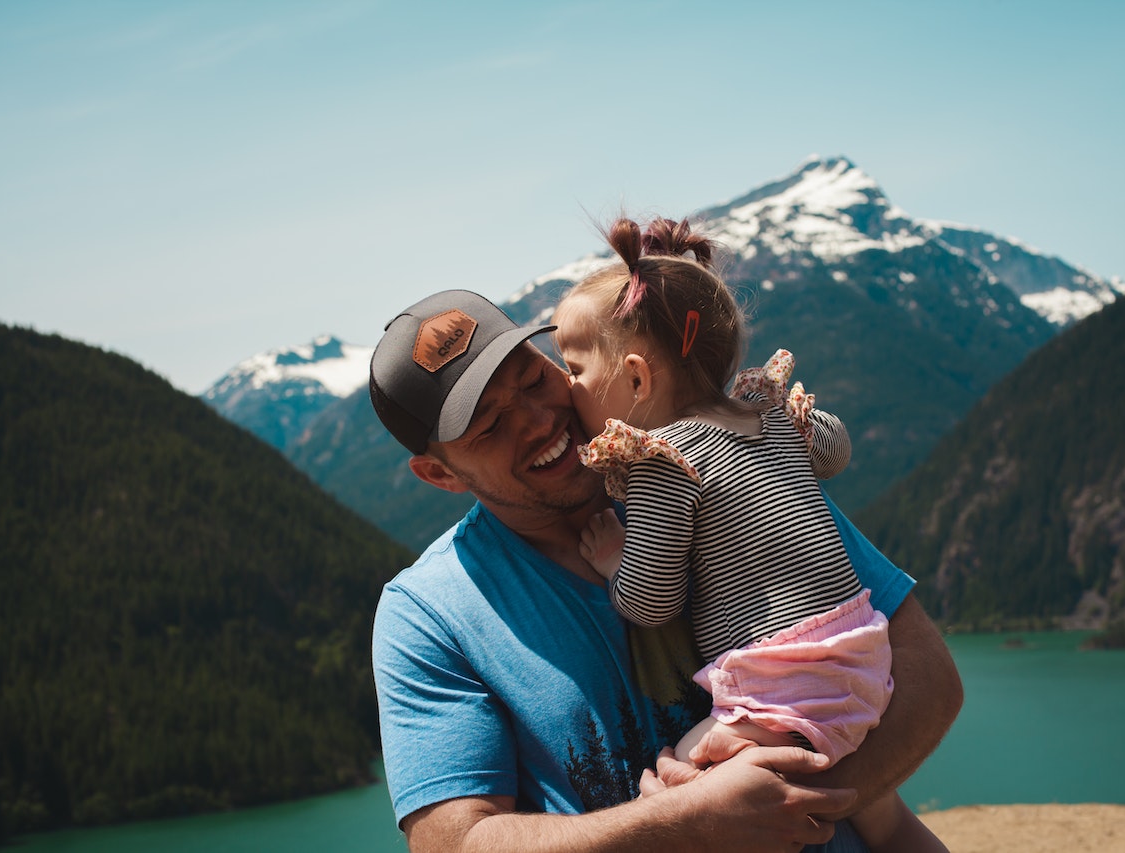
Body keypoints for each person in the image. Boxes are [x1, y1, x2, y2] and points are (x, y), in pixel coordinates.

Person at [368, 287, 963, 852]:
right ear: (439, 474)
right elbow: (455, 841)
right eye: (492, 425)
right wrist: (690, 827)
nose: (538, 419)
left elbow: (930, 679)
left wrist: (794, 802)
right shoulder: (426, 616)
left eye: (533, 378)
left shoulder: (720, 458)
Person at [550, 216, 946, 852]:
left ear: (635, 378)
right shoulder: (765, 413)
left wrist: (614, 562)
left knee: (683, 789)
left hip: (781, 682)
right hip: (862, 653)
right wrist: (805, 429)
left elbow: (652, 603)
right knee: (885, 817)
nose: (566, 388)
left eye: (574, 368)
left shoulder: (663, 462)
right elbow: (833, 450)